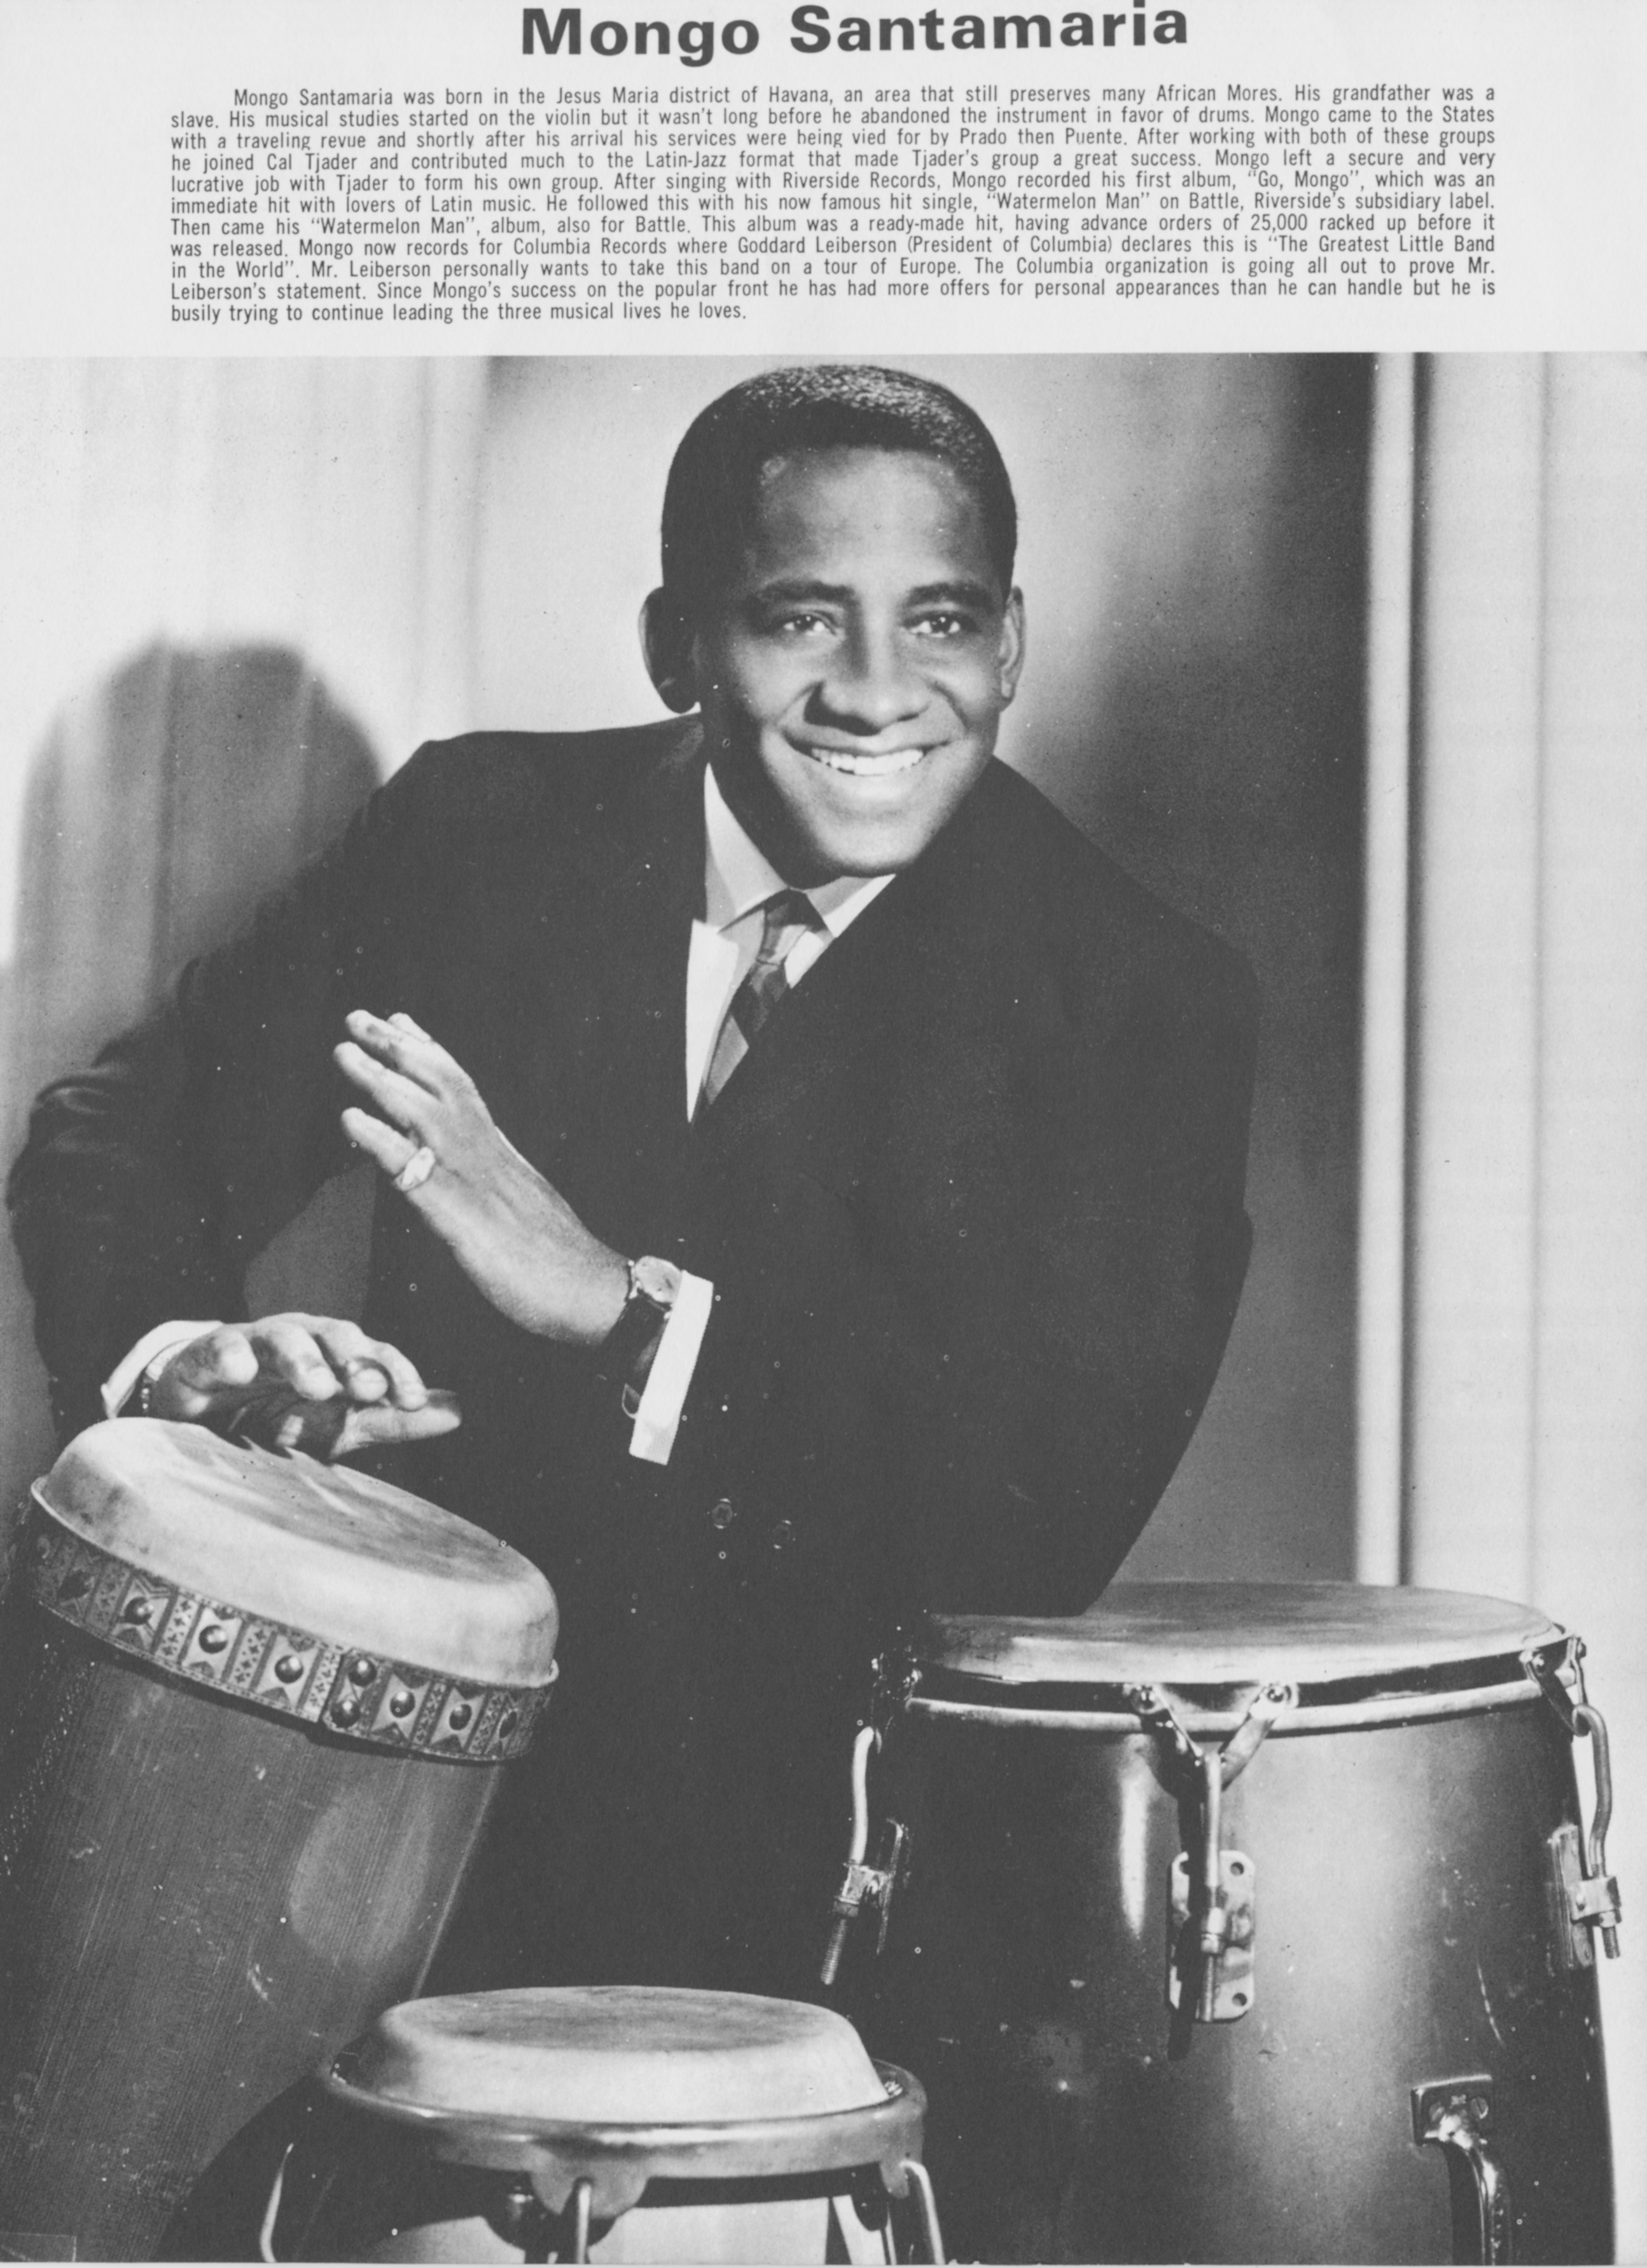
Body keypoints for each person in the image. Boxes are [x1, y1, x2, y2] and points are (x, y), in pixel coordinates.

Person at [9, 364, 1258, 1999]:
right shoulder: (477, 830)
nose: (879, 692)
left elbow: (1025, 1513)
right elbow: (120, 1132)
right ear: (676, 646)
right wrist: (186, 1366)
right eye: (801, 619)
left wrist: (622, 1311)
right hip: (377, 1844)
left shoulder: (1142, 1000)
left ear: (1008, 646)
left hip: (832, 1923)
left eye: (941, 622)